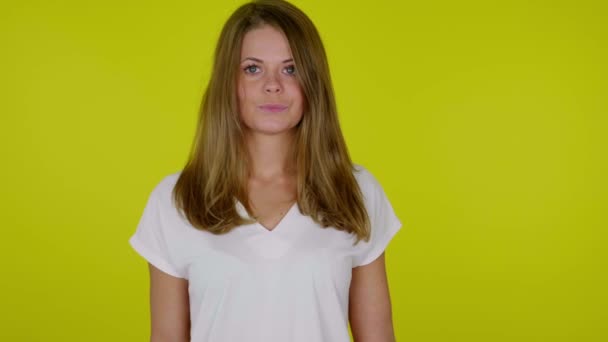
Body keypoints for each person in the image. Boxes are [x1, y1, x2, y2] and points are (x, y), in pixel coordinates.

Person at [128, 0, 402, 341]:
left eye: (291, 69)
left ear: (313, 83)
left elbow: (378, 336)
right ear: (228, 81)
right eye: (252, 69)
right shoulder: (177, 200)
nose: (273, 85)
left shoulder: (355, 191)